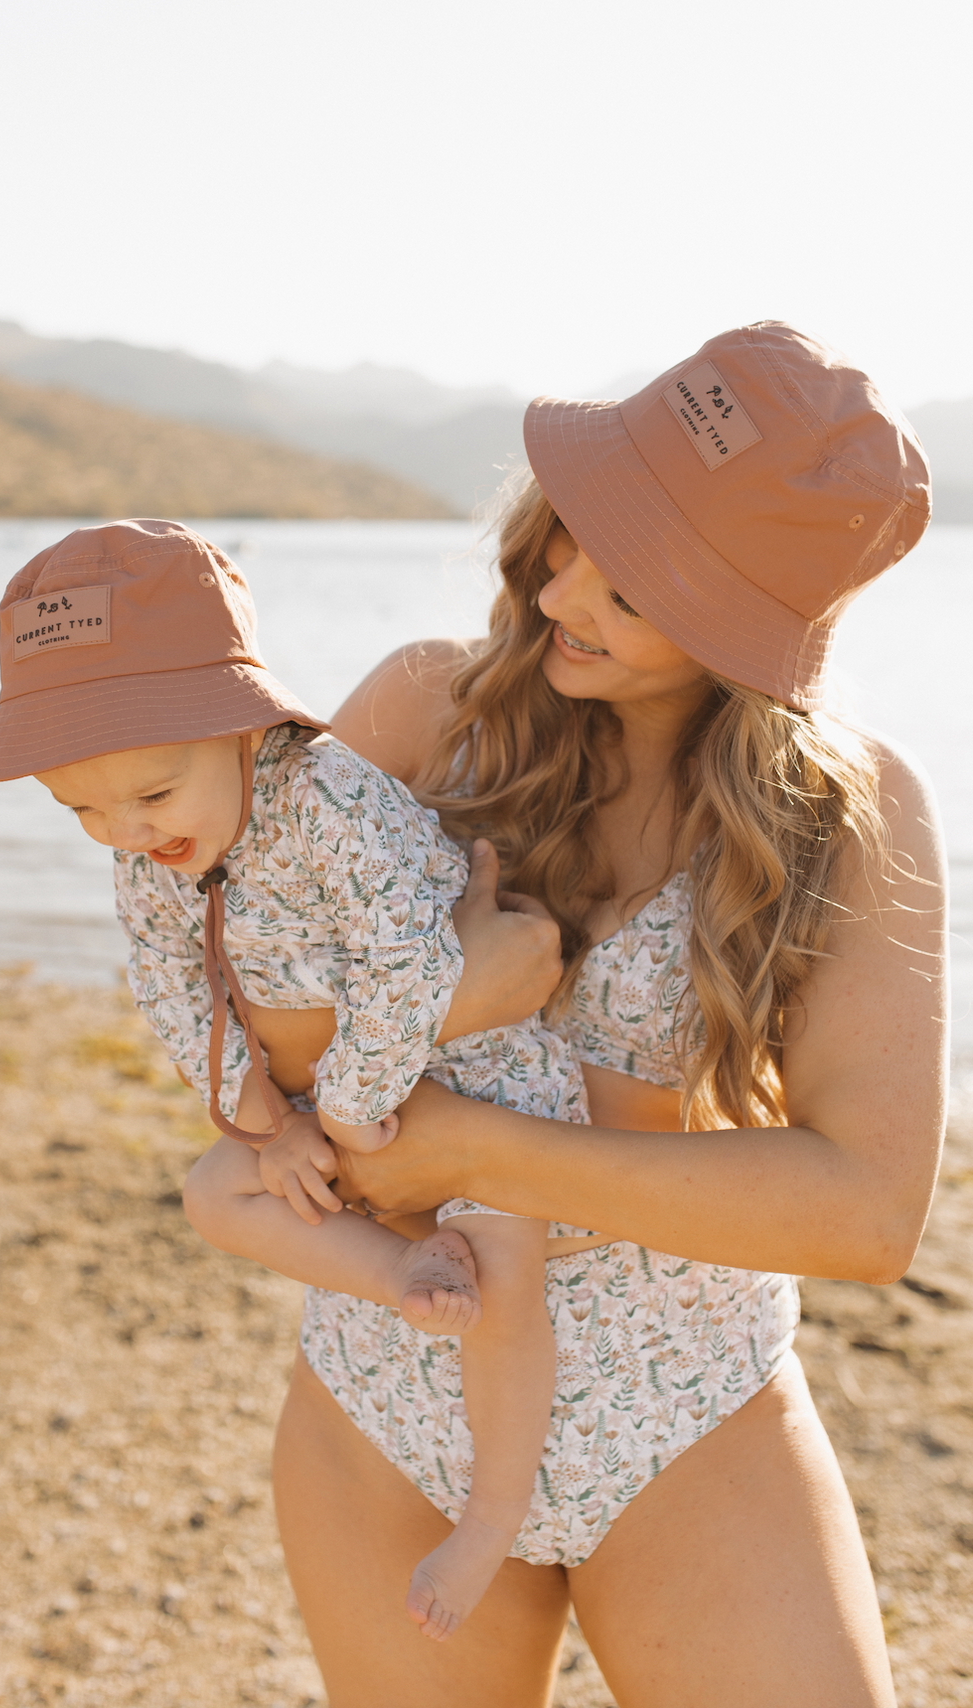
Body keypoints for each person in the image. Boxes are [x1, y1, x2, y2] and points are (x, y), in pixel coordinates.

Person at [266, 323, 947, 1707]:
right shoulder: (422, 717)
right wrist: (451, 1000)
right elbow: (238, 1040)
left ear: (740, 624)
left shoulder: (853, 817)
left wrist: (474, 1147)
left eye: (632, 585)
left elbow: (868, 1212)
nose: (563, 585)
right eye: (571, 532)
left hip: (687, 1405)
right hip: (396, 1392)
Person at [0, 519, 609, 1642]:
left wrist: (348, 1116)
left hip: (477, 1072)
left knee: (509, 1267)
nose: (122, 830)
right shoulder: (145, 847)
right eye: (81, 810)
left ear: (244, 726)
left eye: (151, 793)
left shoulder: (337, 803)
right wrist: (265, 1124)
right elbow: (170, 983)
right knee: (216, 1193)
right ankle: (408, 1266)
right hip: (333, 1101)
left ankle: (492, 1512)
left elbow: (413, 959)